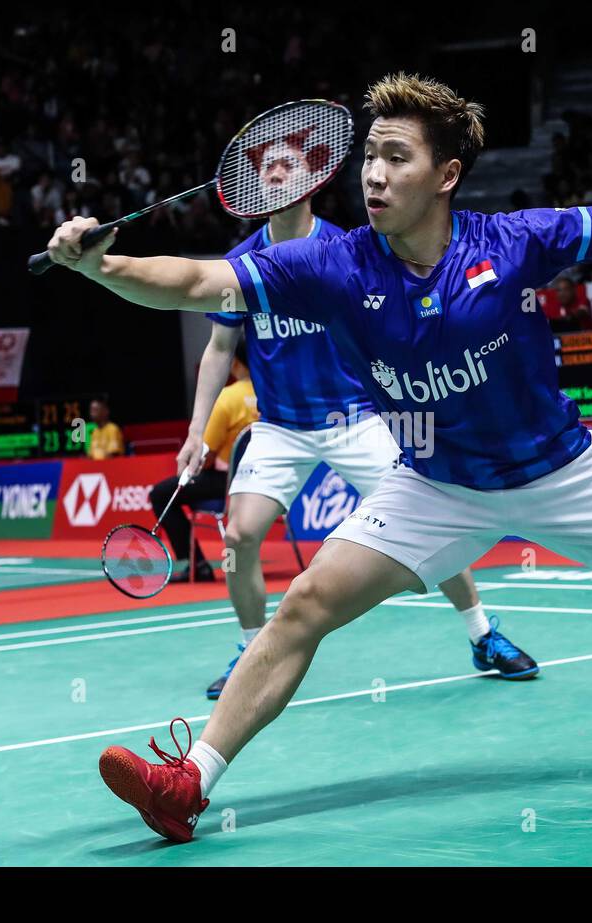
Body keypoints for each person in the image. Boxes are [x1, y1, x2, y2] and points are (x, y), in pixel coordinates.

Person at [45, 72, 592, 844]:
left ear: (446, 175)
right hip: (433, 482)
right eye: (369, 156)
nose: (373, 174)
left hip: (559, 472)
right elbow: (194, 282)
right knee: (305, 608)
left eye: (396, 157)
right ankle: (189, 783)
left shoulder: (513, 242)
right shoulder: (331, 263)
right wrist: (102, 264)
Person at [178, 134, 537, 697]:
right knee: (241, 534)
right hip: (280, 424)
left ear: (311, 176)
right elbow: (220, 349)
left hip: (356, 419)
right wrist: (198, 432)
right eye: (266, 165)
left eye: (288, 163)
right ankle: (251, 652)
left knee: (428, 521)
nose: (275, 171)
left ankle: (482, 633)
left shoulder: (346, 251)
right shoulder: (241, 264)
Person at [148, 342, 259, 583]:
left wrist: (196, 467)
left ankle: (197, 565)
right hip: (268, 482)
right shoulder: (271, 392)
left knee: (160, 494)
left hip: (229, 484)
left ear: (235, 363)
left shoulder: (228, 397)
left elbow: (205, 454)